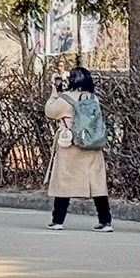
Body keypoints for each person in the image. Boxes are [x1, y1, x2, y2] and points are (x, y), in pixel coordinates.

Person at [44, 65, 112, 231]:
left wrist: (54, 94)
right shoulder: (93, 98)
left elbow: (49, 111)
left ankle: (58, 220)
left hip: (70, 145)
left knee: (64, 184)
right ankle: (105, 221)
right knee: (97, 185)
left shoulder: (65, 99)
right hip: (92, 144)